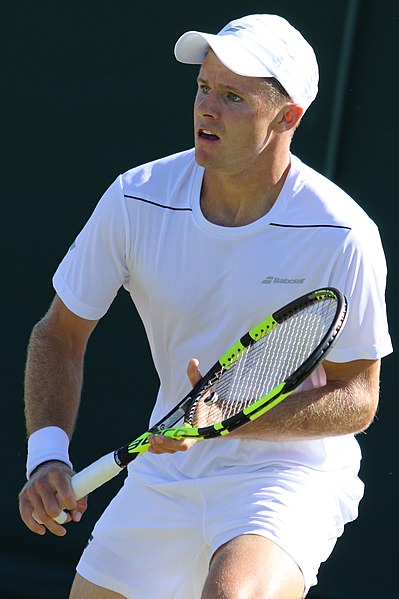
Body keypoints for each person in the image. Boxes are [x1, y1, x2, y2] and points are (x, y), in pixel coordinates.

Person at [19, 13, 392, 599]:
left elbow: (358, 398)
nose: (206, 108)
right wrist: (46, 458)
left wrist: (233, 419)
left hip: (287, 475)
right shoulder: (135, 198)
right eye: (203, 88)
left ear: (287, 117)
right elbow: (58, 335)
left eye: (234, 96)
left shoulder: (341, 234)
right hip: (168, 467)